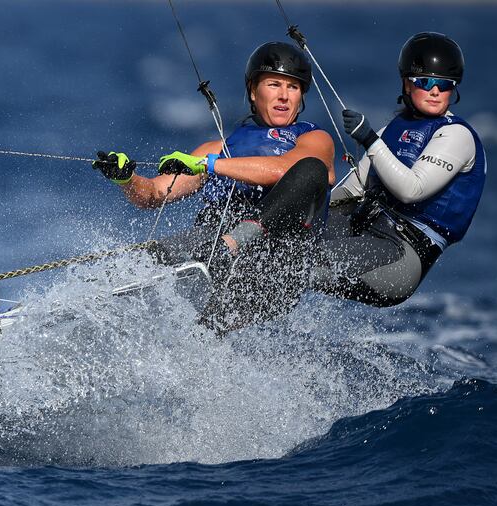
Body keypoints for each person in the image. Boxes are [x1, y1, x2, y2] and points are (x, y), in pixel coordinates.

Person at [92, 41, 335, 331]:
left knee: (310, 170)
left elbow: (282, 170)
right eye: (274, 84)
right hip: (216, 252)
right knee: (139, 262)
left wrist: (209, 165)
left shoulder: (314, 139)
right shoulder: (218, 148)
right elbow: (153, 194)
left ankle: (222, 266)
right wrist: (127, 179)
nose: (284, 96)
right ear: (253, 90)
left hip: (275, 266)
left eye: (293, 87)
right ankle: (89, 306)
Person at [314, 32, 486, 306]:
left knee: (302, 259)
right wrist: (307, 212)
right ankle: (226, 329)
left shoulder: (457, 136)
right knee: (285, 240)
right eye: (425, 81)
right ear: (407, 84)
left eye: (444, 85)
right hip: (365, 228)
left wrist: (369, 140)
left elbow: (411, 189)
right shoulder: (391, 131)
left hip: (402, 254)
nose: (434, 91)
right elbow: (351, 190)